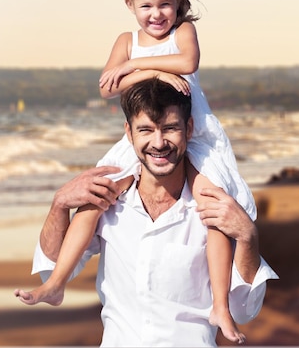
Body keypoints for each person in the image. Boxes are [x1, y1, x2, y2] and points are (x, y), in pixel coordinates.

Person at [14, 0, 255, 344]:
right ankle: (56, 282)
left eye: (165, 4)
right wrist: (148, 69)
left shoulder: (183, 33)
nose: (157, 14)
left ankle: (221, 306)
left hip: (197, 136)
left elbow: (188, 63)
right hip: (157, 132)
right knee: (96, 197)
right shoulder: (126, 41)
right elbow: (109, 84)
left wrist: (145, 69)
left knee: (212, 205)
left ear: (179, 1)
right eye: (146, 5)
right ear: (129, 5)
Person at [16, 78, 278, 346]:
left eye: (170, 128)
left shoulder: (215, 207)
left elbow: (244, 311)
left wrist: (248, 237)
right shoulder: (107, 201)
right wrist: (59, 204)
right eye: (146, 130)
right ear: (129, 134)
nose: (159, 142)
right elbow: (52, 273)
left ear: (189, 129)